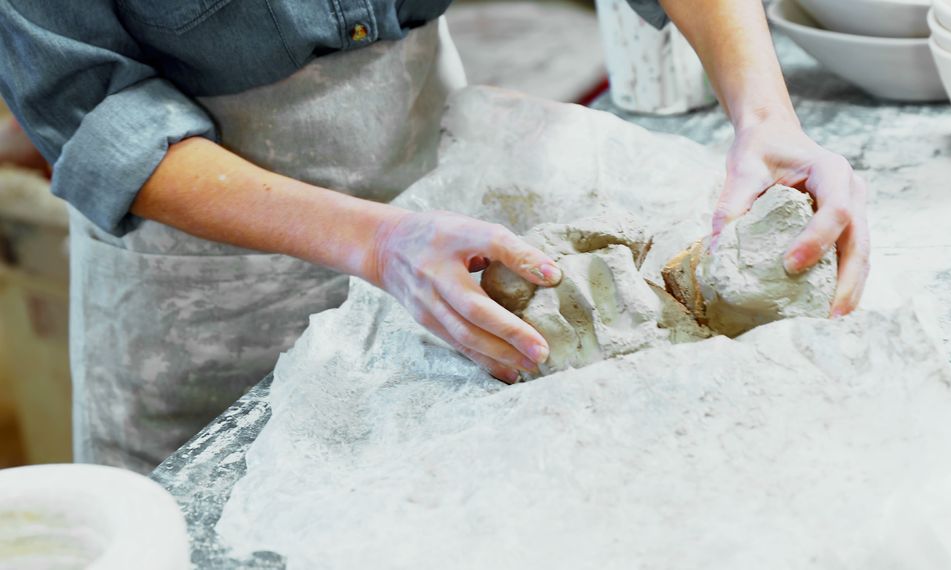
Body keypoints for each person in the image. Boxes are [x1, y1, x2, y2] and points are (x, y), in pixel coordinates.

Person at [0, 0, 869, 474]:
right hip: (205, 274)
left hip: (452, 186)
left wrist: (766, 114)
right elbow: (91, 111)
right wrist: (377, 242)